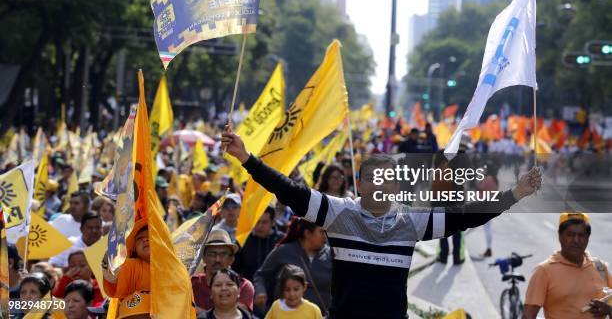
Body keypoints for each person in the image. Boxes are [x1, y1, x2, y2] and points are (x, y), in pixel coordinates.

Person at [222, 127, 542, 319]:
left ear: (397, 187)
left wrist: (515, 193)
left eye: (386, 180)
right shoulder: (337, 212)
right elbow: (287, 190)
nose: (379, 186)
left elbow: (466, 215)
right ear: (359, 184)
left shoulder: (412, 221)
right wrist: (247, 158)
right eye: (371, 179)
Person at [523, 213, 612, 319]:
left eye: (581, 235)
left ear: (588, 238)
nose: (576, 240)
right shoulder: (544, 271)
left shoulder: (600, 268)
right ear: (560, 236)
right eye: (570, 235)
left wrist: (609, 310)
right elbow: (528, 316)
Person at [253, 218, 331, 315]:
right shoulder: (283, 251)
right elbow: (261, 275)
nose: (326, 236)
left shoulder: (331, 255)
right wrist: (261, 291)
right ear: (307, 233)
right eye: (321, 232)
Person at [191, 229, 255, 315]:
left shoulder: (243, 286)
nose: (217, 260)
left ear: (232, 259)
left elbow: (233, 314)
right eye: (212, 254)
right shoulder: (192, 284)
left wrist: (199, 312)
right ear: (203, 258)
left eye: (223, 254)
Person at [102, 218, 151, 319]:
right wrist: (109, 261)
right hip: (130, 311)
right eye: (139, 238)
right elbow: (113, 275)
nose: (145, 239)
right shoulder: (132, 266)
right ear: (134, 249)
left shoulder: (174, 267)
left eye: (150, 236)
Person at [233, 206, 284, 282]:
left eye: (264, 222)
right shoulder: (242, 241)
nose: (260, 226)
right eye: (257, 222)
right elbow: (235, 270)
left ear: (273, 222)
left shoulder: (282, 241)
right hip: (250, 289)